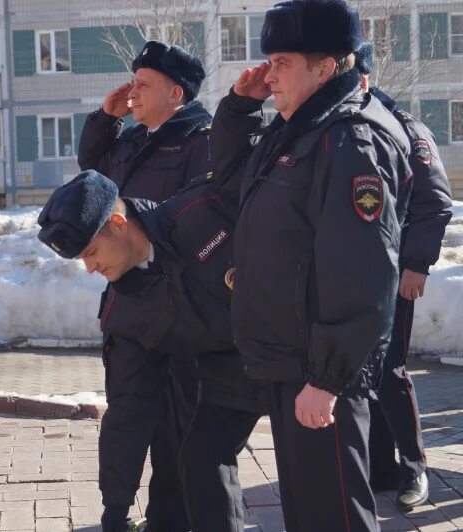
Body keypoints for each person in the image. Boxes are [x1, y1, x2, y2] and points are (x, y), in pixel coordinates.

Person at [210, 1, 413, 529]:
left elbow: (363, 273)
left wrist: (327, 379)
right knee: (309, 515)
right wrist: (238, 107)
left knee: (334, 516)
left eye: (282, 62)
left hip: (321, 376)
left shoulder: (349, 141)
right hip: (293, 365)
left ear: (326, 67)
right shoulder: (297, 130)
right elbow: (230, 184)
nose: (268, 75)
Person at [37, 169, 267, 532]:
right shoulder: (124, 312)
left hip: (296, 354)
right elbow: (129, 410)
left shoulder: (206, 211)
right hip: (229, 372)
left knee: (313, 471)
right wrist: (115, 508)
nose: (90, 267)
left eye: (92, 251)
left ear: (118, 222)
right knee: (200, 460)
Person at [77, 40, 211, 531]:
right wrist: (106, 118)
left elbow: (203, 223)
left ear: (176, 92)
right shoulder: (134, 140)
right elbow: (91, 175)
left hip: (180, 309)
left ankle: (167, 519)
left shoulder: (204, 141)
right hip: (127, 305)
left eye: (143, 84)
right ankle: (115, 515)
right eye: (132, 81)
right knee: (126, 417)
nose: (132, 91)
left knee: (177, 424)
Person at [355, 42, 454, 509]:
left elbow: (435, 202)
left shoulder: (403, 129)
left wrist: (417, 264)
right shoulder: (341, 129)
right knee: (360, 373)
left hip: (394, 277)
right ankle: (380, 469)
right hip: (349, 278)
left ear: (362, 77)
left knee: (390, 373)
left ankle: (416, 470)